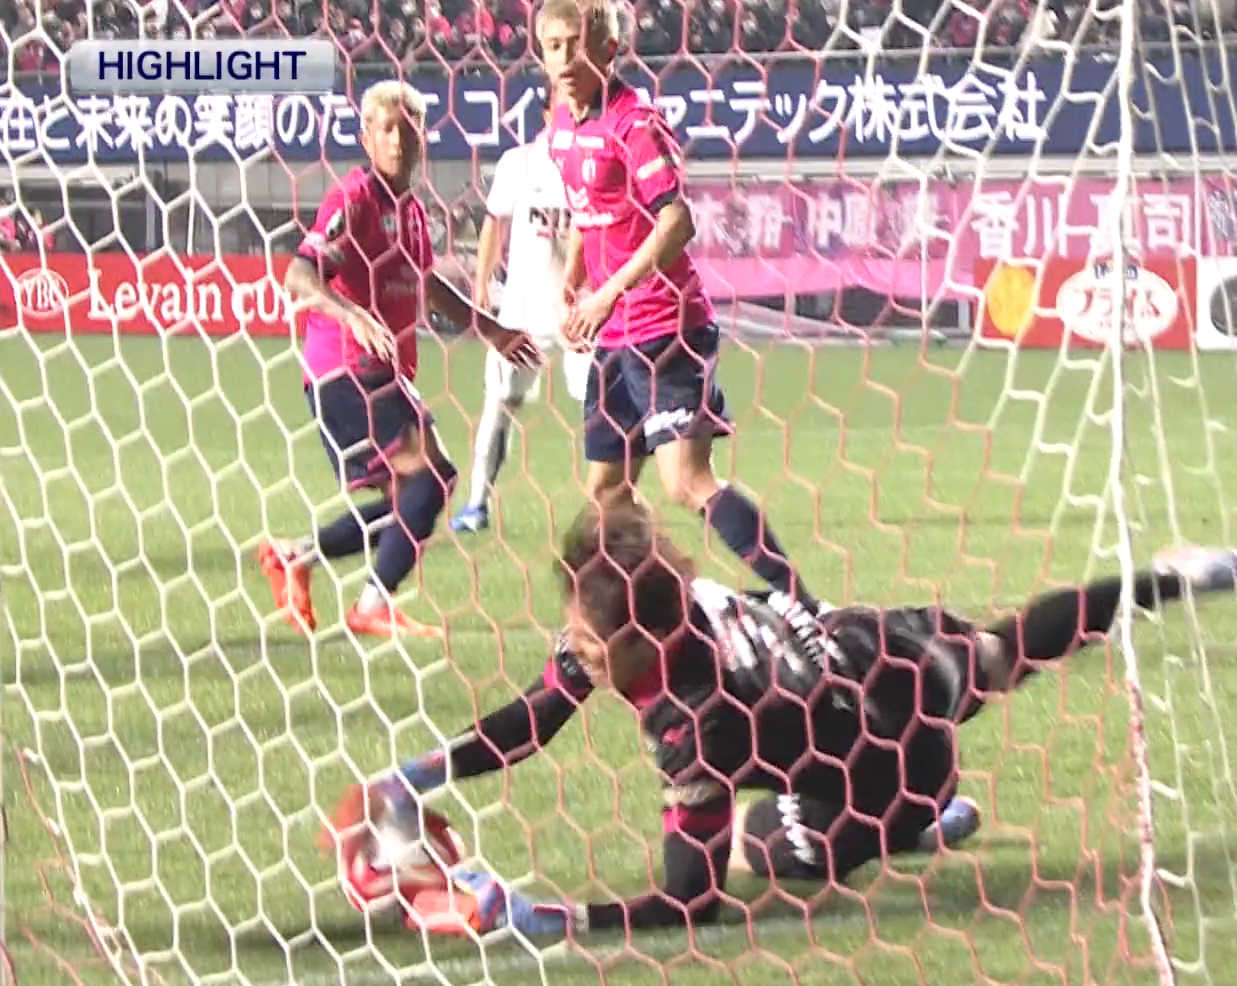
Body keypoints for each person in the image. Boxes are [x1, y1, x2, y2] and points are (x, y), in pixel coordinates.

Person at [328, 500, 1237, 935]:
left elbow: (691, 902)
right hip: (876, 646)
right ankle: (1170, 577)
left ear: (646, 641)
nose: (574, 649)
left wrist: (542, 916)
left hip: (890, 772)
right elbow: (538, 713)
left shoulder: (696, 722)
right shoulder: (667, 602)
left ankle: (916, 824)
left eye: (588, 639)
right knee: (1007, 651)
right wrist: (418, 773)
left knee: (750, 848)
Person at [537, 0, 824, 616]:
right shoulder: (560, 126)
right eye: (554, 46)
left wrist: (607, 293)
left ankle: (802, 602)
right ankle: (658, 609)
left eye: (577, 45)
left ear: (608, 51)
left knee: (685, 480)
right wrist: (571, 283)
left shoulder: (633, 123)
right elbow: (588, 214)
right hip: (614, 336)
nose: (564, 60)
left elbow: (676, 222)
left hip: (666, 325)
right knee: (606, 492)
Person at [258, 81, 542, 640]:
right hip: (345, 368)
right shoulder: (354, 199)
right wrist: (354, 316)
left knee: (415, 494)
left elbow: (427, 284)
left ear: (422, 138)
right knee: (430, 481)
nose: (396, 140)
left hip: (382, 372)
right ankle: (370, 605)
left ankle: (297, 557)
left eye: (407, 129)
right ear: (366, 137)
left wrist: (491, 330)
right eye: (386, 129)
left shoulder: (410, 211)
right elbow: (298, 274)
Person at [451, 99, 595, 534]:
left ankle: (609, 507)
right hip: (522, 313)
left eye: (579, 111)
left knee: (600, 406)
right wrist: (481, 284)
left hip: (577, 311)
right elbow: (494, 223)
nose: (572, 118)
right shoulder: (520, 163)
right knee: (499, 405)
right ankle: (476, 503)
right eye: (563, 110)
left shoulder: (593, 164)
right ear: (547, 116)